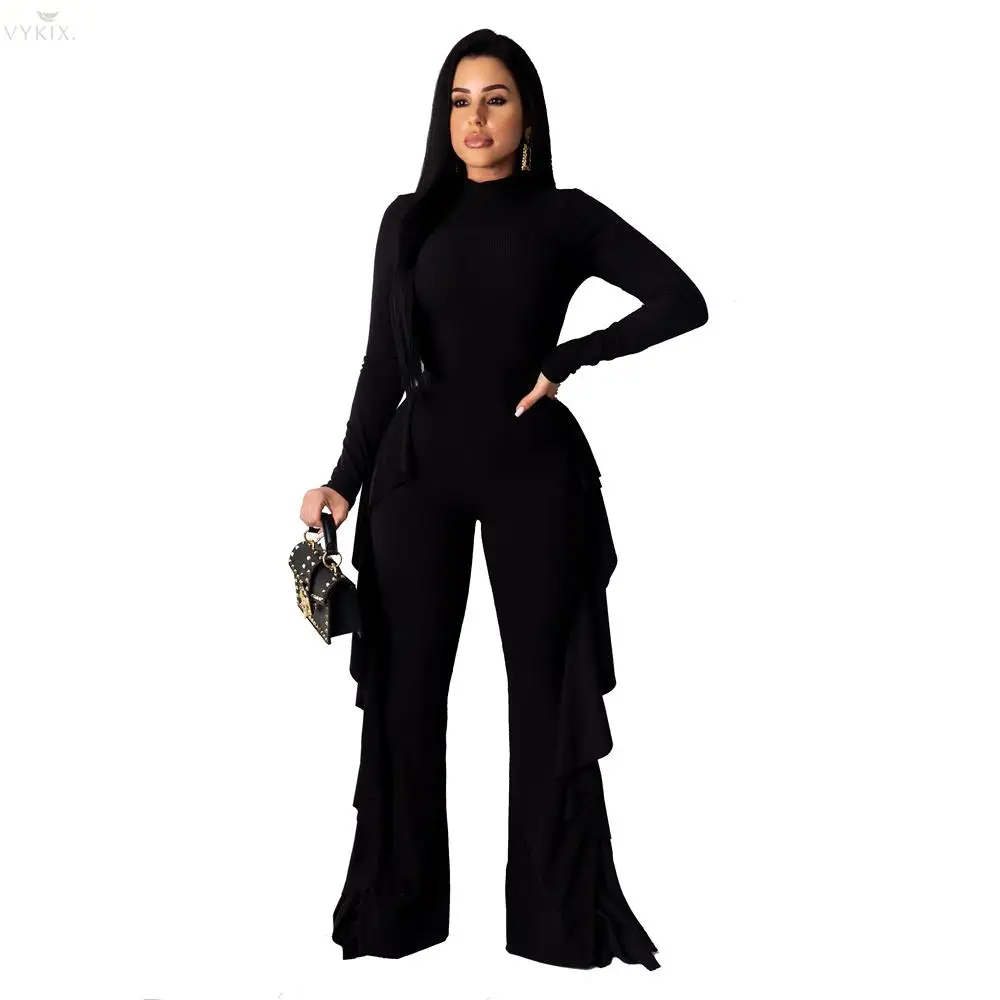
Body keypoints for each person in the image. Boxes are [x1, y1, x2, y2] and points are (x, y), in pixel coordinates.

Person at [299, 28, 708, 971]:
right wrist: (342, 480)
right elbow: (383, 362)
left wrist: (571, 358)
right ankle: (396, 920)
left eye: (495, 99)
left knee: (547, 700)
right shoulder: (408, 220)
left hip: (535, 472)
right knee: (403, 698)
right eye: (459, 101)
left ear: (528, 114)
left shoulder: (566, 216)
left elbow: (680, 299)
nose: (475, 119)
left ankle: (558, 929)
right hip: (415, 477)